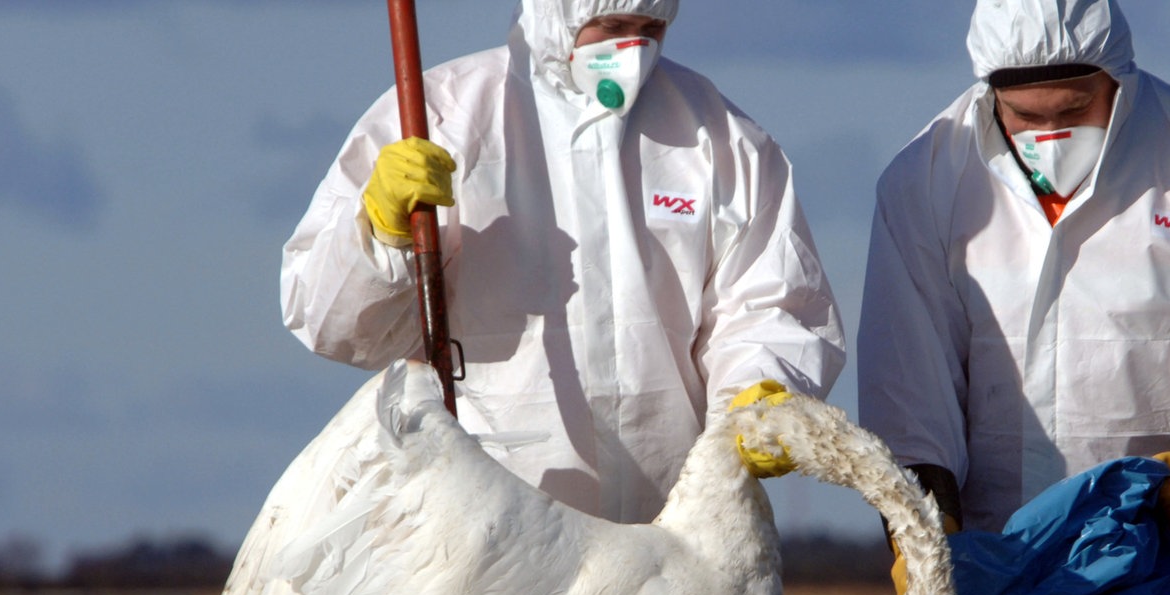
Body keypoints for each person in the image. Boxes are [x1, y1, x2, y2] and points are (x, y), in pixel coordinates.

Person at [282, 0, 846, 522]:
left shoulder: (719, 137)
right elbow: (328, 322)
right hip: (484, 529)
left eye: (651, 30)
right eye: (614, 28)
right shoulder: (439, 115)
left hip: (671, 532)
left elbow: (770, 304)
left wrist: (755, 399)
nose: (633, 51)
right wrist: (381, 234)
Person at [860, 0, 1170, 595]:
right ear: (988, 92)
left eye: (1077, 108)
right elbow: (910, 389)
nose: (1050, 135)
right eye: (1024, 115)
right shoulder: (923, 180)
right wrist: (919, 531)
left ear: (1118, 79)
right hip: (999, 585)